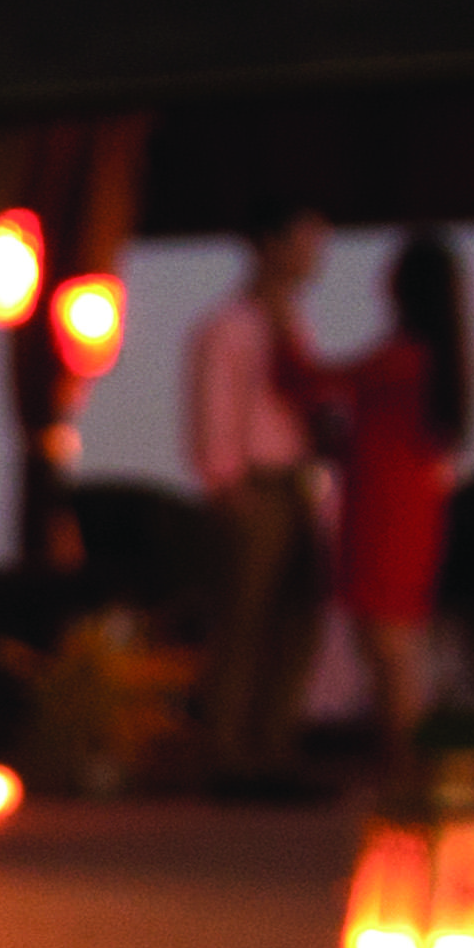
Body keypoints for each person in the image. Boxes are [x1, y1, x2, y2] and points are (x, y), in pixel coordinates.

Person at [306, 229, 474, 792]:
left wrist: (282, 333)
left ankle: (407, 771)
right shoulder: (435, 358)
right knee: (395, 645)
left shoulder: (401, 360)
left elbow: (315, 382)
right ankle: (406, 766)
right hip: (404, 507)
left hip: (385, 510)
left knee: (389, 646)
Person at [180, 212, 330, 786]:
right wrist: (225, 481)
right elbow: (213, 404)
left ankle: (272, 742)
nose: (313, 257)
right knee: (242, 616)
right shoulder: (228, 325)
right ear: (270, 244)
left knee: (297, 615)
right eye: (304, 243)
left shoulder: (291, 322)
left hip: (294, 483)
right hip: (255, 485)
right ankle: (225, 749)